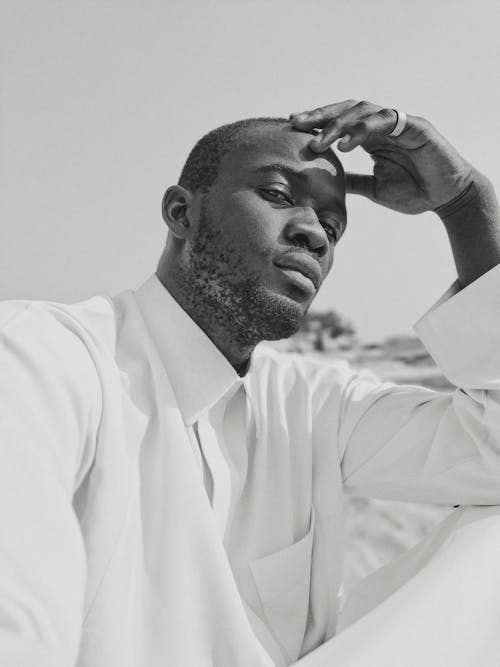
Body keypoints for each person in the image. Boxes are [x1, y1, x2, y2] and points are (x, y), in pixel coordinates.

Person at [1, 99, 500, 667]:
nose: (315, 235)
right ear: (181, 213)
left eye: (334, 228)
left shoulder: (314, 405)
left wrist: (465, 203)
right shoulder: (38, 357)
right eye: (279, 196)